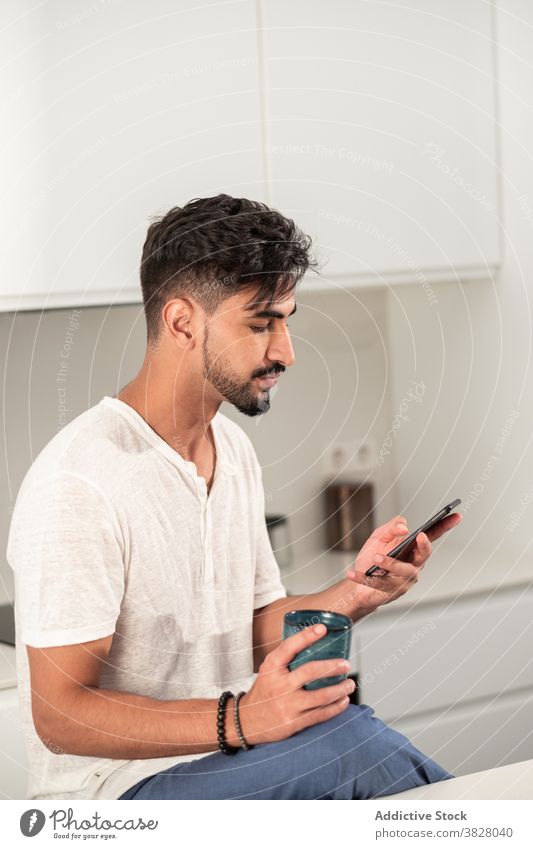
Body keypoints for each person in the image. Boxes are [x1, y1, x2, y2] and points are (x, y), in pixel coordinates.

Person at [7, 194, 461, 800]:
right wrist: (241, 718)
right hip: (114, 794)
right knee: (351, 752)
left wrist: (355, 593)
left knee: (347, 729)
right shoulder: (81, 480)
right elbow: (60, 715)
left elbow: (245, 630)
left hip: (231, 761)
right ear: (181, 322)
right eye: (260, 324)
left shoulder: (231, 447)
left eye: (286, 319)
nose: (285, 351)